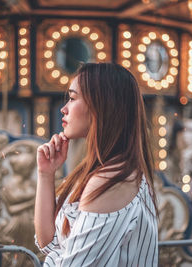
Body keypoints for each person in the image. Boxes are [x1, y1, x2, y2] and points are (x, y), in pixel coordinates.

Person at [34, 63, 158, 266]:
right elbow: (48, 242)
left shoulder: (110, 181)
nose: (63, 109)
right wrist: (46, 174)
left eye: (72, 99)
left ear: (101, 107)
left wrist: (58, 256)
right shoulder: (100, 172)